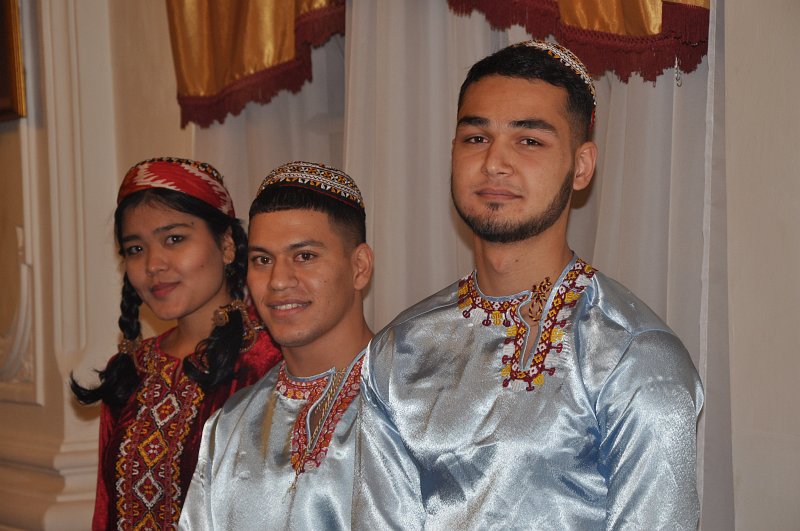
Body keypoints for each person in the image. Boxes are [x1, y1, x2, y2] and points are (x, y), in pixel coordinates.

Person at [353, 41, 704, 529]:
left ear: (581, 166)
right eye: (476, 137)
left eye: (529, 141)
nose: (494, 162)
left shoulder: (633, 353)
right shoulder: (398, 350)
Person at [70, 157, 282, 530]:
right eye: (135, 249)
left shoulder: (271, 362)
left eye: (174, 239)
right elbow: (105, 514)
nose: (153, 264)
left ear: (227, 245)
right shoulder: (130, 370)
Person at [179, 161, 374, 530]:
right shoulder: (229, 426)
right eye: (262, 260)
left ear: (359, 267)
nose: (278, 281)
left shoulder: (412, 405)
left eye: (305, 256)